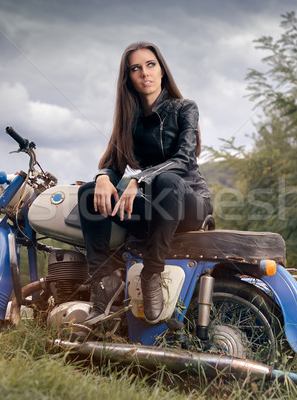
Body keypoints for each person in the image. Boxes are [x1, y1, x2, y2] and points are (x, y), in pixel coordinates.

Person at [78, 41, 213, 325]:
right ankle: (103, 283)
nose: (145, 73)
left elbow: (185, 159)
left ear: (162, 70)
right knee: (88, 193)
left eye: (150, 65)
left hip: (190, 204)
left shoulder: (185, 108)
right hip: (157, 208)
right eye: (135, 68)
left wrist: (139, 179)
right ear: (128, 78)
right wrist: (103, 177)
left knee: (167, 180)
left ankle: (152, 273)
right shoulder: (130, 119)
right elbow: (114, 163)